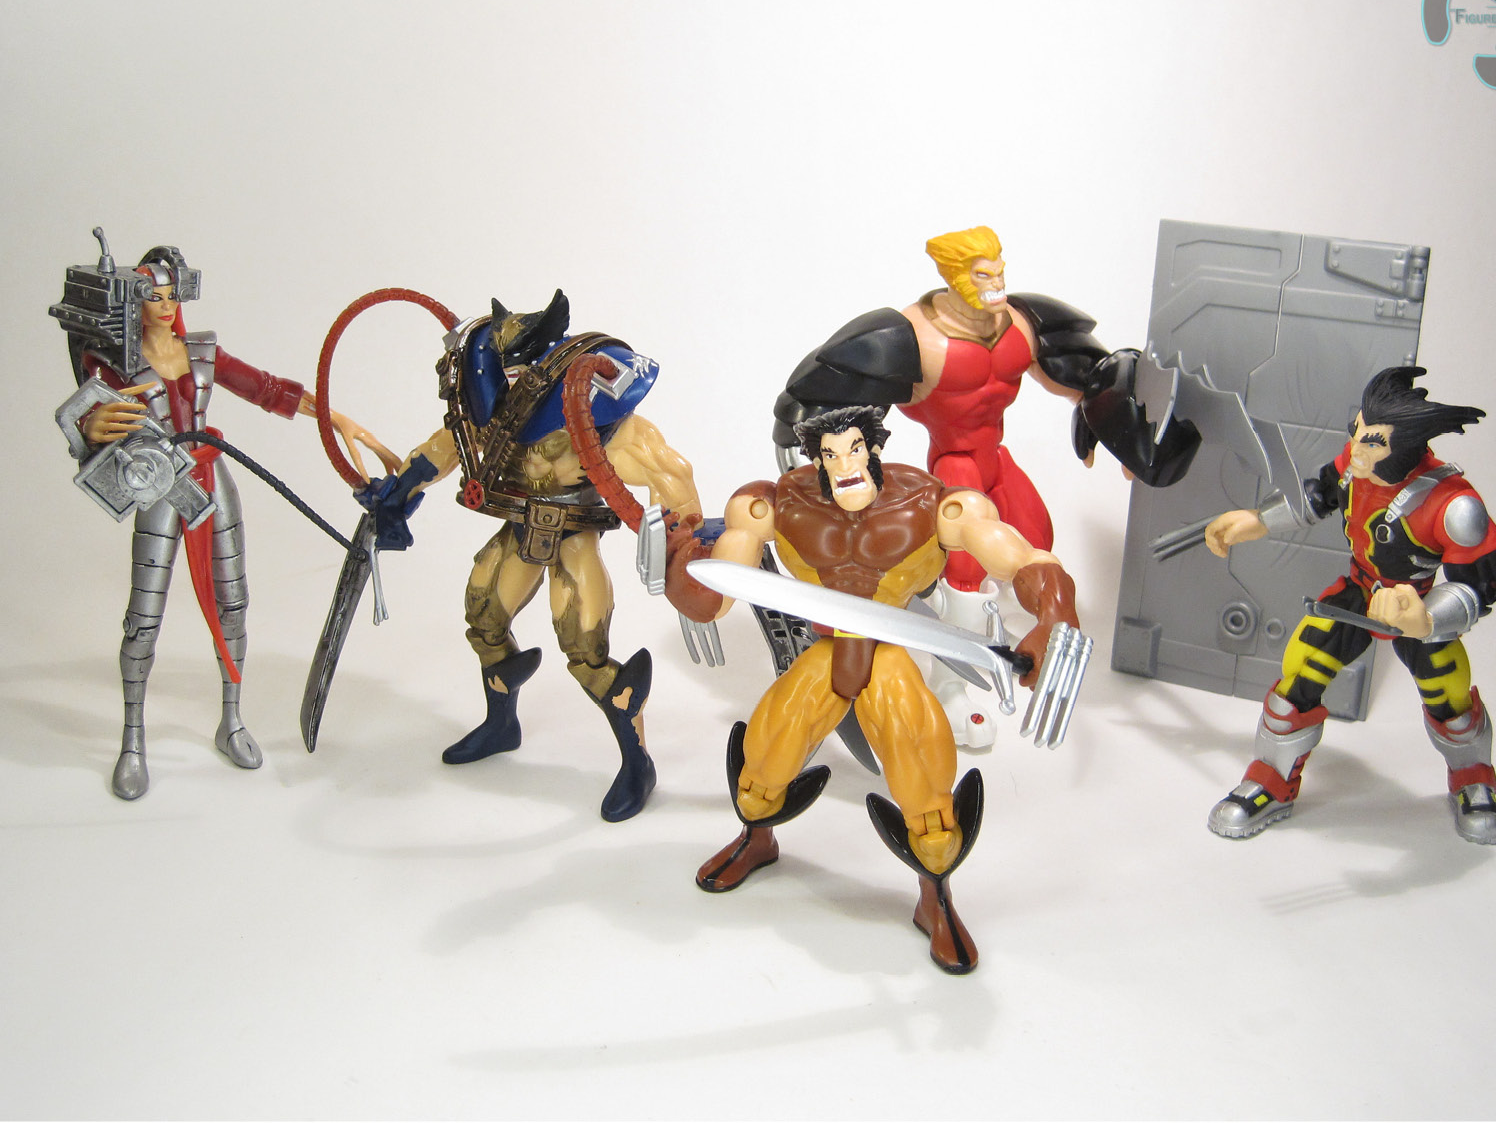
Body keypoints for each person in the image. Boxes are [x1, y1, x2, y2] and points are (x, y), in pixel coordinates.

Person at [666, 405, 1081, 973]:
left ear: (874, 448)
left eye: (854, 449)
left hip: (887, 653)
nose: (844, 466)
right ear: (815, 460)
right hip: (828, 650)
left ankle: (935, 899)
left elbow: (1019, 556)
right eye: (830, 455)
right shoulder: (777, 504)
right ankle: (757, 839)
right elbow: (715, 597)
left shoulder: (930, 504)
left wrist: (1053, 614)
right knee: (763, 763)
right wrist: (681, 569)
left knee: (926, 792)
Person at [774, 226, 1195, 747]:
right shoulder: (914, 339)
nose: (996, 281)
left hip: (996, 457)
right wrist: (818, 491)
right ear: (952, 274)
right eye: (981, 273)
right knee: (965, 573)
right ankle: (951, 687)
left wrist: (1125, 433)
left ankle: (1024, 635)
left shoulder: (1023, 324)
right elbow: (823, 408)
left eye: (999, 268)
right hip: (954, 464)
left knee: (1037, 539)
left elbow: (1093, 376)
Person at [358, 292, 702, 821]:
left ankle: (638, 764)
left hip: (573, 537)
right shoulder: (492, 408)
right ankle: (501, 723)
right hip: (520, 529)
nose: (515, 378)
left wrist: (685, 547)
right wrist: (397, 494)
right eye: (507, 367)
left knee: (586, 651)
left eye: (523, 366)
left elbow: (669, 473)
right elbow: (440, 450)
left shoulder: (590, 409)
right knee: (483, 618)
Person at [73, 244, 386, 800]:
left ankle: (232, 719)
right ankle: (132, 740)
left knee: (234, 603)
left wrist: (335, 418)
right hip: (158, 484)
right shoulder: (112, 361)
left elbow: (266, 388)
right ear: (133, 300)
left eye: (172, 294)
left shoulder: (202, 351)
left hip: (212, 480)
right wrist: (92, 425)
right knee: (144, 618)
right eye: (152, 295)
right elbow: (83, 418)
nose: (165, 304)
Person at [1202, 366, 1496, 844]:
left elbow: (1478, 589)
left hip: (1418, 602)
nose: (1358, 445)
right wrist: (1258, 521)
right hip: (1359, 593)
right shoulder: (1355, 463)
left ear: (1404, 445)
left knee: (1451, 695)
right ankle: (1272, 782)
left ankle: (1474, 780)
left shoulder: (1454, 505)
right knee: (1299, 673)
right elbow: (1319, 495)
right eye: (1359, 429)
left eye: (1374, 440)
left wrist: (1426, 617)